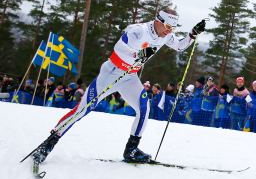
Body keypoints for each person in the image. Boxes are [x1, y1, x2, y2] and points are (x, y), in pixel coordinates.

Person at [30, 9, 206, 165]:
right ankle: (48, 144)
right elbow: (119, 48)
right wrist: (139, 53)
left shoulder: (165, 35)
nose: (169, 31)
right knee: (83, 109)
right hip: (112, 72)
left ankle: (131, 150)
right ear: (158, 20)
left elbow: (180, 46)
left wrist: (192, 34)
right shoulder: (138, 30)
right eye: (167, 26)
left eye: (172, 28)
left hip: (129, 76)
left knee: (144, 107)